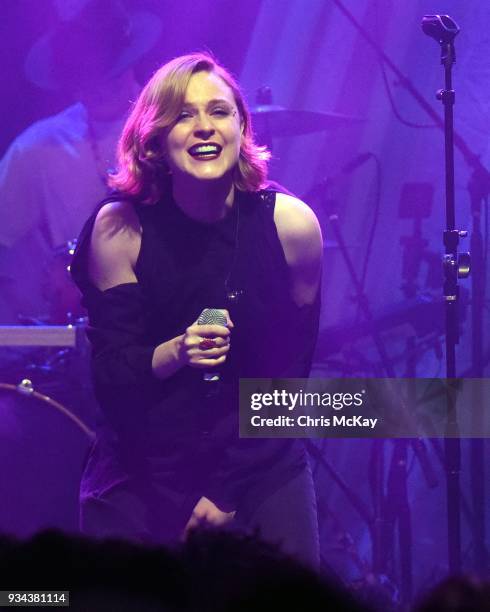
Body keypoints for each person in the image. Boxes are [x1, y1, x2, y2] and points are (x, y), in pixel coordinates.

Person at [70, 52, 323, 567]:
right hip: (144, 468)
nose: (204, 127)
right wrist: (174, 353)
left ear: (242, 128)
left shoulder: (291, 227)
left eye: (219, 112)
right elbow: (112, 379)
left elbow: (287, 379)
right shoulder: (119, 230)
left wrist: (225, 494)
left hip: (257, 465)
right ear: (155, 138)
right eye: (184, 115)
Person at [0, 0, 161, 323]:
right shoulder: (37, 147)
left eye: (109, 74)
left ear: (131, 60)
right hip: (85, 332)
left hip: (172, 314)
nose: (100, 87)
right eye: (87, 79)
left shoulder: (176, 129)